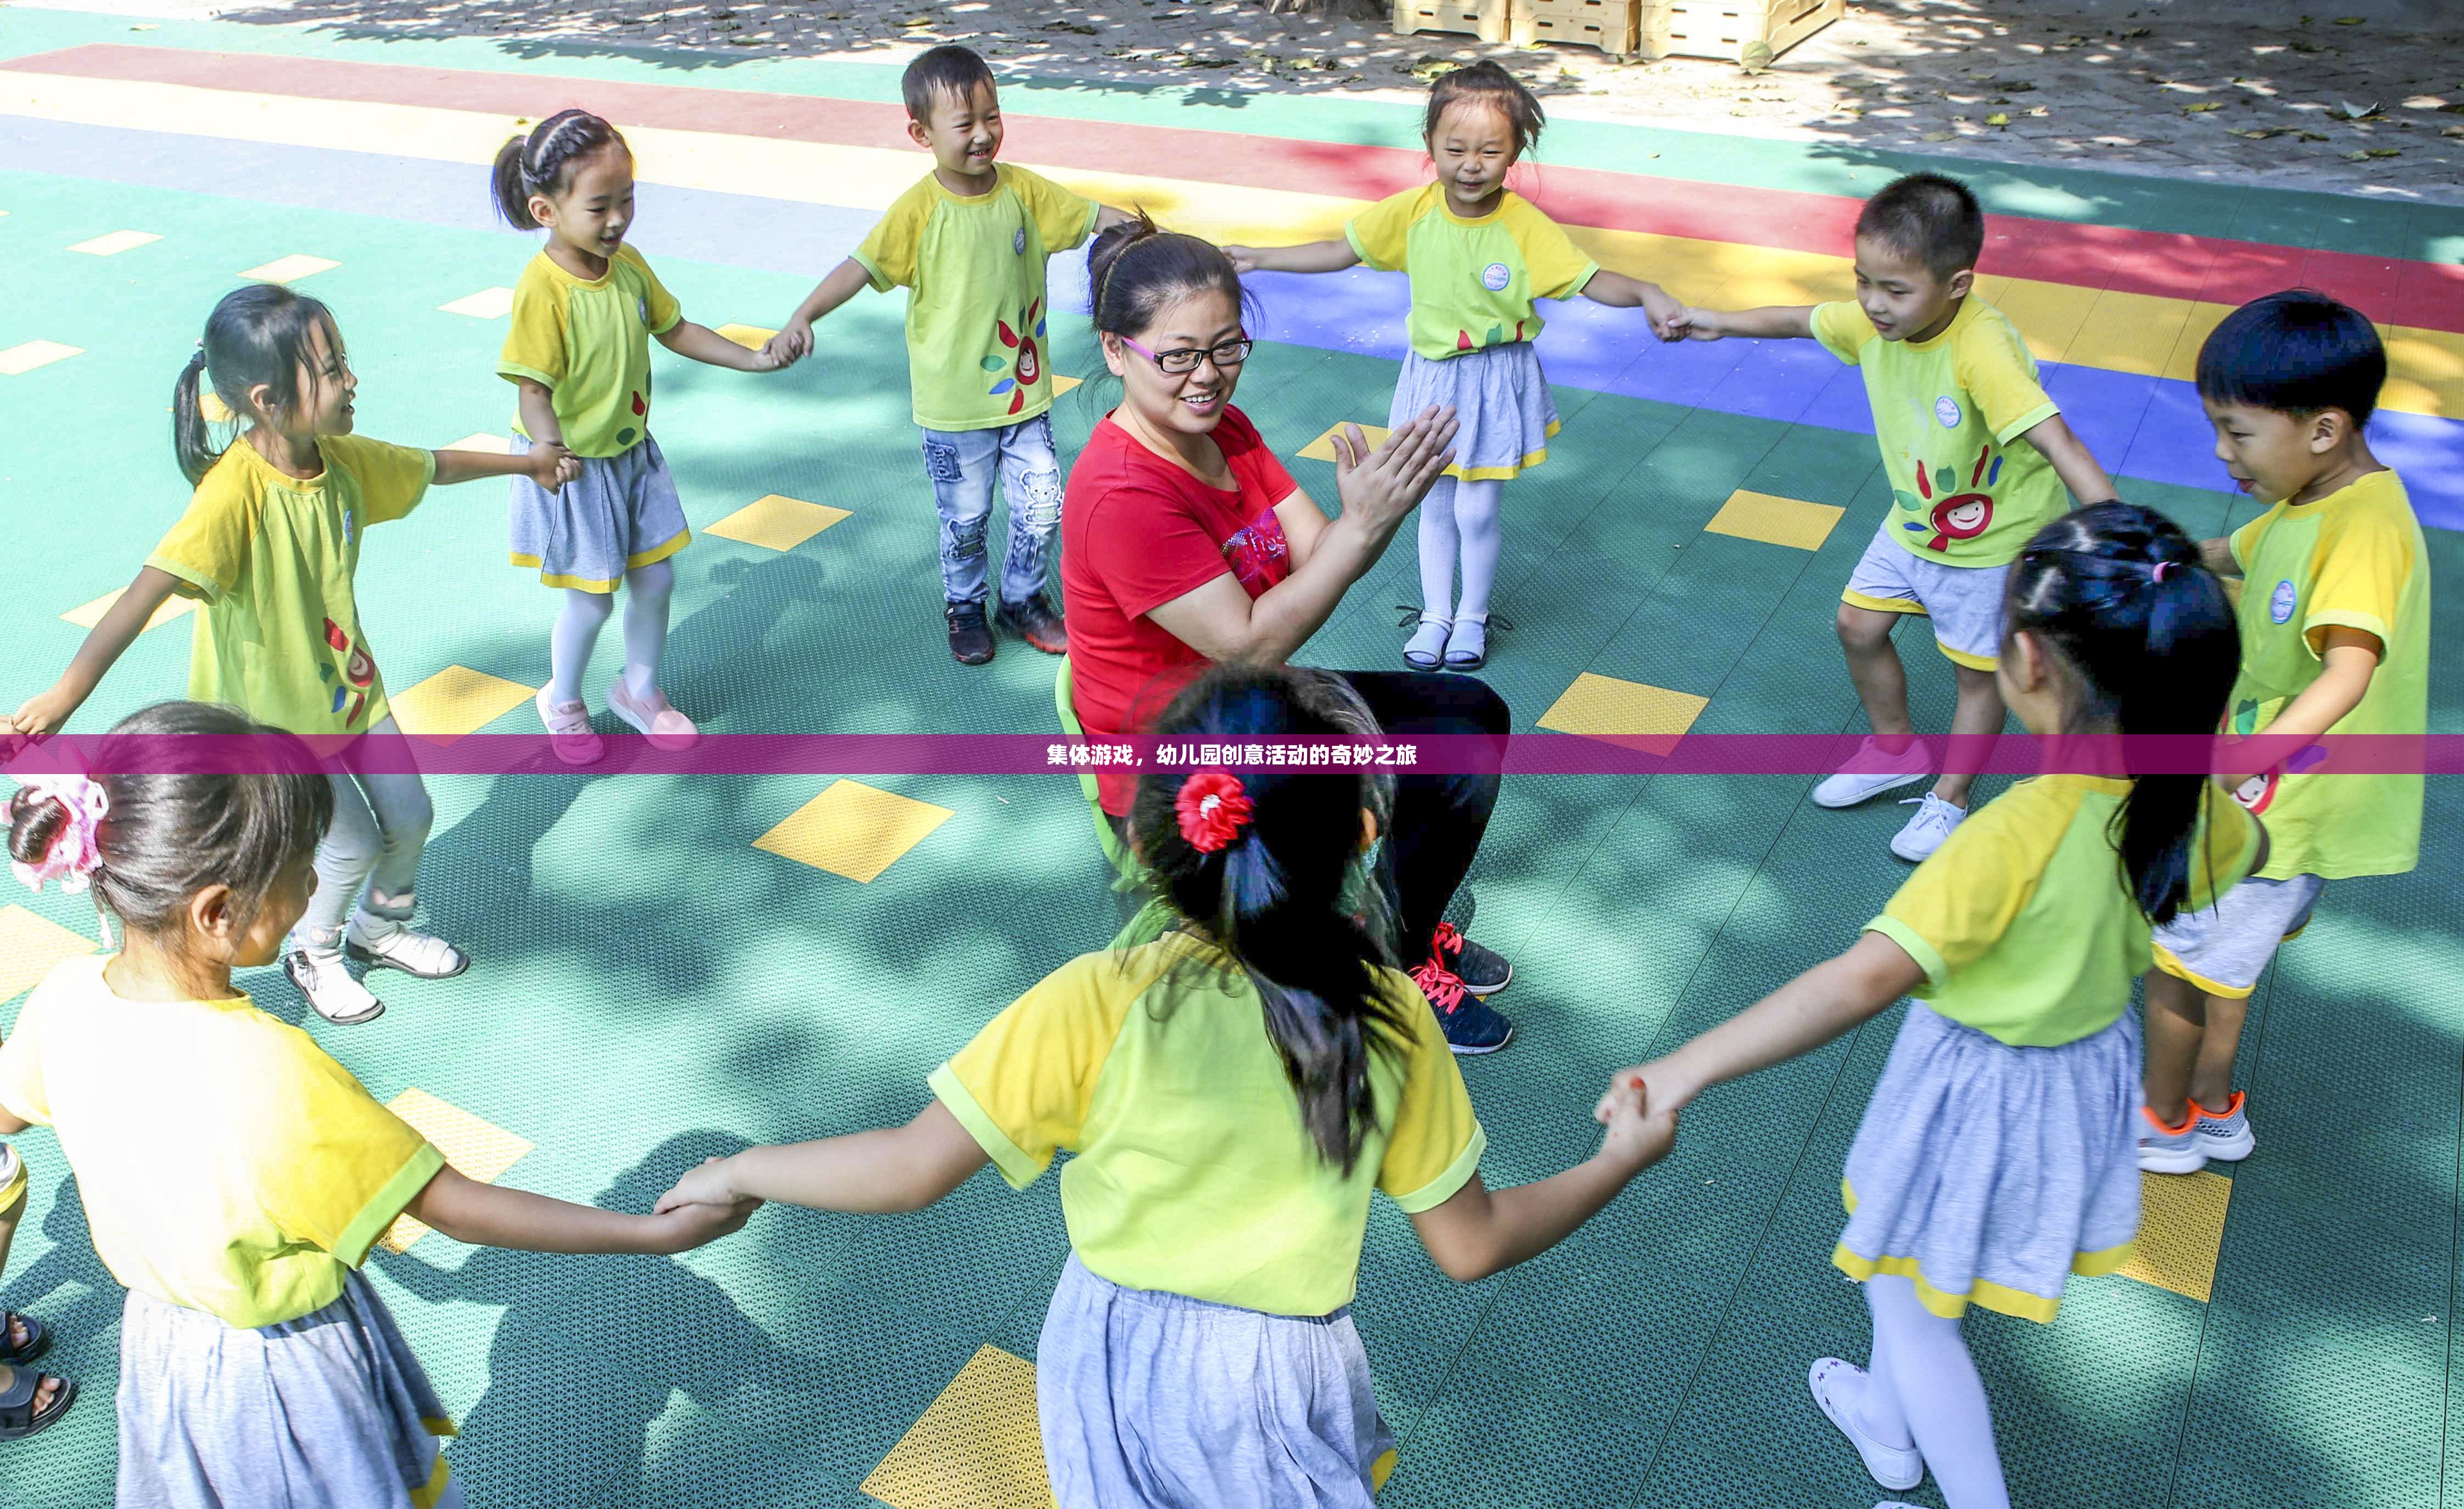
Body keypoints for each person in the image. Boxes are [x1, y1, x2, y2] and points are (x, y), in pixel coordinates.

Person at [656, 664, 1677, 1509]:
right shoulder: (1388, 1016)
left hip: (1105, 1348)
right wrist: (1616, 1160)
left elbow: (909, 1166)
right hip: (1278, 1379)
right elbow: (1473, 1242)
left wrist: (742, 1166)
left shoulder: (1096, 998)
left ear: (1149, 838)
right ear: (1364, 837)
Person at [1604, 504, 2259, 1509]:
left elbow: (1859, 979)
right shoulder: (2193, 803)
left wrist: (1683, 1065)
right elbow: (2246, 852)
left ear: (2030, 663)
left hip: (1976, 1092)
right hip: (2078, 1078)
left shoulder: (2015, 835)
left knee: (1912, 1306)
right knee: (1904, 1272)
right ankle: (1885, 1421)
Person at [0, 702, 753, 1508]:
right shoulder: (270, 1068)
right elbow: (458, 1205)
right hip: (284, 1372)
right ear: (219, 912)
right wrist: (652, 1232)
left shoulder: (63, 998)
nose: (316, 884)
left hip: (167, 1351)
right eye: (305, 868)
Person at [3, 284, 576, 1025]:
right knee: (349, 843)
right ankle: (318, 951)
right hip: (273, 725)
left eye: (345, 361)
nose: (352, 380)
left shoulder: (340, 461)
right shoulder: (231, 495)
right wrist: (65, 694)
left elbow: (432, 464)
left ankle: (382, 925)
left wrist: (527, 463)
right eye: (332, 368)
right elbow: (144, 594)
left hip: (349, 693)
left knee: (413, 814)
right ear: (270, 399)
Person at [1060, 216, 1523, 1054]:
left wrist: (1370, 514)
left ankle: (1399, 939)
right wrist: (1358, 529)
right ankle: (1376, 959)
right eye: (1179, 354)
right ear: (1115, 350)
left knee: (1470, 721)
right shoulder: (1121, 491)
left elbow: (1319, 554)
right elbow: (1250, 641)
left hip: (1249, 711)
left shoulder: (1223, 431)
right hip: (1179, 768)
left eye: (1228, 347)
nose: (1207, 376)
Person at [1670, 172, 2119, 861]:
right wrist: (1715, 322)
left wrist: (2117, 531)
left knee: (1978, 675)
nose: (1874, 305)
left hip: (1994, 543)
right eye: (1864, 281)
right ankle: (1894, 747)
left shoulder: (1982, 350)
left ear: (1958, 285)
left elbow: (2058, 441)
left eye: (1896, 290)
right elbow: (1798, 319)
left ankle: (1950, 798)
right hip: (1915, 521)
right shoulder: (1877, 320)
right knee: (1858, 623)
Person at [1225, 60, 1683, 671]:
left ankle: (1472, 615)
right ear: (1430, 147)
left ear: (1515, 151)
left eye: (1491, 151)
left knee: (1476, 506)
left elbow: (1591, 280)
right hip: (1434, 377)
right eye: (1456, 148)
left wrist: (1650, 290)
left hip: (1495, 377)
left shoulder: (1524, 225)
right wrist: (1262, 256)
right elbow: (1342, 249)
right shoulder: (1412, 212)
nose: (1472, 164)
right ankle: (1436, 614)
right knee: (1433, 501)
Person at [2138, 291, 2426, 1174]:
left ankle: (2164, 1120)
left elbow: (2348, 669)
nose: (2223, 453)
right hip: (2282, 804)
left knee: (2176, 966)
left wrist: (2234, 765)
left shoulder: (2366, 528)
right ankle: (2215, 1107)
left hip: (2274, 803)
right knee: (2223, 966)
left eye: (2238, 433)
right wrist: (2164, 555)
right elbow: (2245, 551)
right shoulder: (2315, 497)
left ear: (2325, 428)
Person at [760, 45, 1132, 665]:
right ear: (921, 133)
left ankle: (1023, 600)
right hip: (953, 407)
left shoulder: (1023, 191)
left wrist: (1151, 236)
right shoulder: (920, 210)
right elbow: (861, 267)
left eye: (993, 116)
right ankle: (965, 606)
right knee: (966, 520)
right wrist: (803, 315)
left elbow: (1096, 218)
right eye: (965, 124)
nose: (984, 134)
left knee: (1042, 503)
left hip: (1023, 395)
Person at [492, 108, 789, 762]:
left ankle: (640, 688)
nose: (618, 219)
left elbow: (675, 327)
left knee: (655, 581)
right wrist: (548, 450)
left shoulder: (626, 266)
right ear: (545, 210)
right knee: (591, 601)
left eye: (627, 199)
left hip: (631, 455)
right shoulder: (544, 290)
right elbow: (532, 389)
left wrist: (754, 357)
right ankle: (562, 699)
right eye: (600, 207)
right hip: (571, 463)